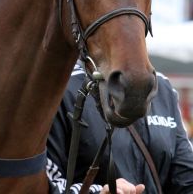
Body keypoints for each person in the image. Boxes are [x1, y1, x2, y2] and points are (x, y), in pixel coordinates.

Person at [46, 61, 193, 194]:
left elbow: (185, 178)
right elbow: (43, 185)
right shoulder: (60, 87)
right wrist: (98, 192)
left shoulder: (162, 87)